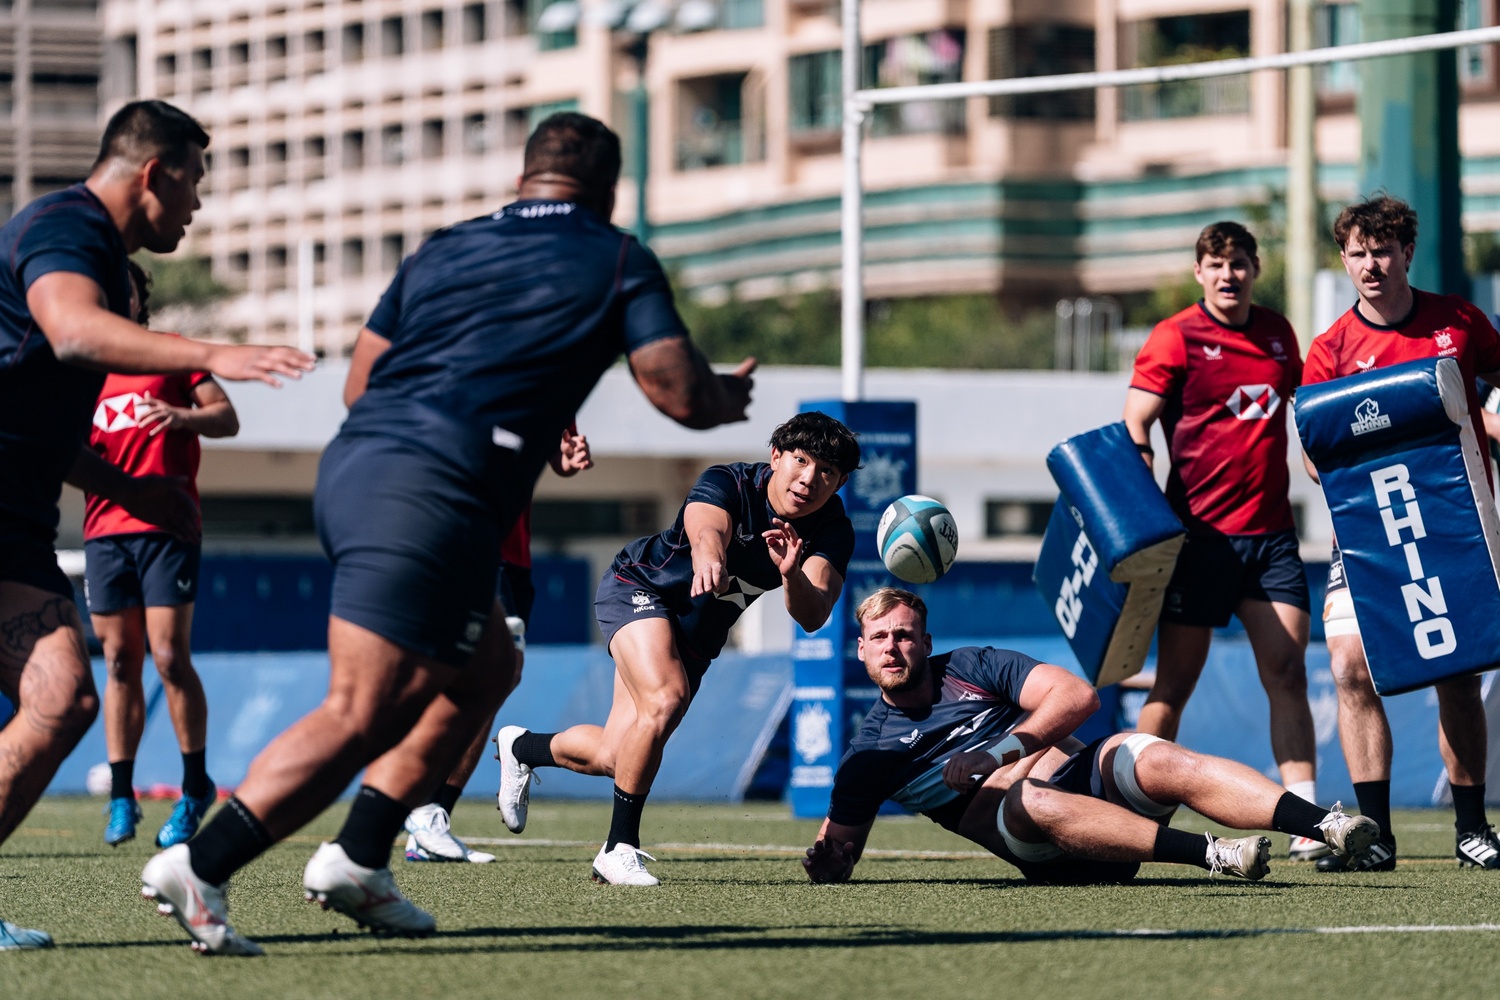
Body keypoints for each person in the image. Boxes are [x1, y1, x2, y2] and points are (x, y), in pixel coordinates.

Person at [139, 111, 756, 955]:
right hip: (432, 492)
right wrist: (727, 396)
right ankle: (202, 862)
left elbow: (360, 382)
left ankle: (358, 857)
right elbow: (679, 393)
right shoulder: (616, 256)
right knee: (362, 706)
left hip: (359, 468)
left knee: (487, 667)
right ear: (609, 192)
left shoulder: (443, 246)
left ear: (521, 180)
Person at [0, 99, 313, 952]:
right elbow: (69, 332)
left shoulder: (103, 258)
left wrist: (128, 491)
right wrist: (213, 354)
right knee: (71, 694)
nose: (197, 205)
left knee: (64, 700)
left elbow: (43, 425)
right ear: (156, 172)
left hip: (18, 519)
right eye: (195, 183)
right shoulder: (68, 225)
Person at [496, 410, 860, 886]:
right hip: (641, 588)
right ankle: (617, 848)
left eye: (827, 472)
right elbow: (706, 527)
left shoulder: (833, 531)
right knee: (664, 698)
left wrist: (791, 571)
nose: (809, 478)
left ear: (840, 482)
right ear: (776, 457)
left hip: (693, 638)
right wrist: (710, 557)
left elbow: (812, 616)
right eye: (801, 460)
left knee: (617, 753)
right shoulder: (729, 481)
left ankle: (521, 747)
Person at [801, 589, 1380, 886]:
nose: (893, 647)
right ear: (862, 650)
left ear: (927, 643)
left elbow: (1079, 697)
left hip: (1094, 797)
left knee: (1146, 751)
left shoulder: (972, 665)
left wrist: (996, 753)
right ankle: (1213, 855)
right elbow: (838, 853)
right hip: (1047, 847)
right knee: (1028, 797)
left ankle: (1325, 825)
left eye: (905, 636)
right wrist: (826, 860)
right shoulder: (870, 754)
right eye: (879, 638)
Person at [1301, 195, 1500, 872]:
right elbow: (1311, 454)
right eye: (1357, 253)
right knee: (1349, 666)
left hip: (1455, 527)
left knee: (1457, 672)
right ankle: (1375, 834)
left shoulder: (1460, 321)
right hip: (1365, 536)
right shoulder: (1329, 349)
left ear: (1408, 252)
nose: (1370, 265)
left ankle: (1472, 828)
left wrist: (1488, 425)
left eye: (1382, 250)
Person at [1123, 221, 1324, 861]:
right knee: (1174, 686)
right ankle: (1124, 808)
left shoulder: (1276, 333)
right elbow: (1136, 419)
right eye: (1216, 264)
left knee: (1288, 672)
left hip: (1271, 538)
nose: (1228, 275)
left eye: (1238, 263)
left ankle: (1306, 826)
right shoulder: (1175, 335)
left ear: (1254, 269)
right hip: (1199, 542)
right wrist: (1143, 506)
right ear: (1198, 272)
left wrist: (1326, 463)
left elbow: (1308, 410)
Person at [88, 260, 240, 850]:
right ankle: (122, 795)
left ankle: (194, 786)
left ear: (136, 294)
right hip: (104, 533)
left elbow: (226, 416)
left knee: (171, 657)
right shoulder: (83, 371)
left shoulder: (173, 353)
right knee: (121, 661)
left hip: (168, 528)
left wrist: (183, 417)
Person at [402, 426, 593, 864]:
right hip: (468, 541)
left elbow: (549, 460)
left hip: (513, 557)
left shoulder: (554, 383)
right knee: (478, 675)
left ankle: (429, 821)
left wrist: (563, 459)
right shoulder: (482, 371)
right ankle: (413, 809)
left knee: (495, 678)